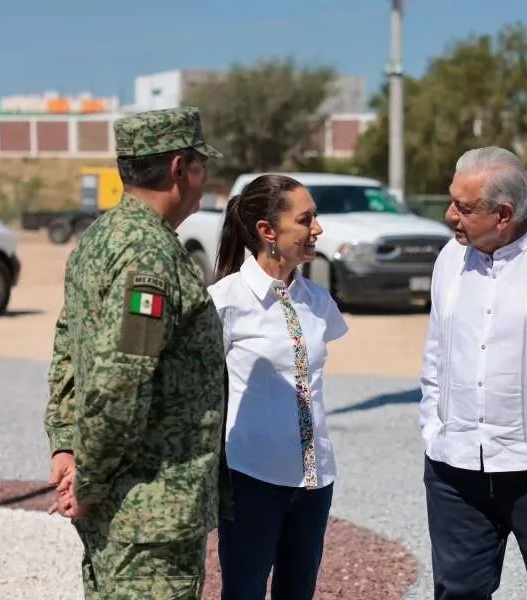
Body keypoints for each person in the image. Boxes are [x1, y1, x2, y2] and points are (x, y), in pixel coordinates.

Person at [43, 106, 228, 599]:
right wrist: (90, 481)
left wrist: (66, 443)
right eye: (201, 165)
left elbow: (68, 345)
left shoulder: (101, 237)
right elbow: (118, 384)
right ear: (178, 169)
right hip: (149, 514)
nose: (204, 179)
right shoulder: (151, 255)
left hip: (125, 508)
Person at [419, 146, 527, 600]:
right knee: (457, 592)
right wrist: (433, 428)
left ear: (504, 214)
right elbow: (436, 352)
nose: (450, 215)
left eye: (463, 207)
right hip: (455, 468)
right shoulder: (449, 259)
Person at [208, 173, 349, 600]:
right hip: (251, 479)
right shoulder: (224, 302)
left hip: (315, 480)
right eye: (305, 220)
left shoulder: (318, 301)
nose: (317, 229)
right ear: (267, 232)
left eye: (315, 217)